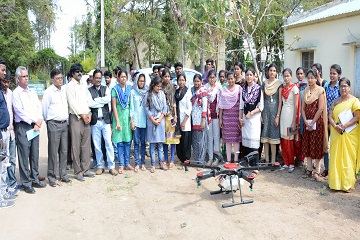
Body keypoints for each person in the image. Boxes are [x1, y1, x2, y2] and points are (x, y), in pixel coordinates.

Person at [13, 66, 45, 193]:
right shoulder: (16, 93)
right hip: (24, 126)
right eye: (24, 76)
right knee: (24, 155)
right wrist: (34, 121)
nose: (26, 79)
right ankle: (26, 183)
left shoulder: (31, 92)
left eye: (27, 76)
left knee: (34, 154)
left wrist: (39, 120)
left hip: (35, 126)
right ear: (17, 78)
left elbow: (39, 107)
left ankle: (35, 179)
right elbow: (20, 111)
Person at [328, 77, 360, 193]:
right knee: (336, 157)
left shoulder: (354, 101)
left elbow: (357, 117)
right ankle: (335, 183)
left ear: (349, 87)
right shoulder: (336, 102)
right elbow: (330, 116)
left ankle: (347, 184)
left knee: (348, 158)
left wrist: (345, 126)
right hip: (337, 133)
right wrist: (335, 126)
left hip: (349, 134)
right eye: (341, 86)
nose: (343, 88)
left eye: (345, 86)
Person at [42, 69, 71, 187]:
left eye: (61, 78)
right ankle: (52, 176)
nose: (60, 80)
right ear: (53, 79)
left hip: (64, 124)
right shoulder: (48, 92)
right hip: (53, 124)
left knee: (64, 150)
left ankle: (63, 174)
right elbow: (44, 110)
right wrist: (49, 122)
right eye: (58, 78)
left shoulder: (64, 91)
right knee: (53, 151)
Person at [66, 63, 94, 181]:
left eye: (80, 71)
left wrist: (89, 113)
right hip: (76, 118)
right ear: (73, 73)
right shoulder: (69, 86)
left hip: (86, 117)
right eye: (77, 71)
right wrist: (82, 115)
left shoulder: (84, 85)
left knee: (86, 145)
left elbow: (88, 100)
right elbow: (72, 104)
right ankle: (78, 171)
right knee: (76, 146)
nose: (79, 73)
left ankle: (86, 169)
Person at [88, 69, 118, 176]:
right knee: (97, 145)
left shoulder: (106, 88)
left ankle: (111, 166)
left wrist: (96, 100)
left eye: (100, 78)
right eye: (96, 78)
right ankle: (100, 166)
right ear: (93, 78)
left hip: (105, 121)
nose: (98, 80)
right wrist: (101, 100)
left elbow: (108, 99)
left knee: (109, 144)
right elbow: (89, 103)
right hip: (95, 121)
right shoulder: (89, 90)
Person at [301, 69, 328, 181]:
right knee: (307, 144)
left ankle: (317, 170)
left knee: (316, 145)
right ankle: (308, 169)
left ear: (317, 78)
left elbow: (321, 108)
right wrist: (306, 120)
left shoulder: (320, 90)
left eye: (313, 77)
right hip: (307, 123)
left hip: (318, 123)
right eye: (309, 77)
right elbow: (303, 108)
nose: (310, 80)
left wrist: (313, 122)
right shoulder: (305, 91)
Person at [321, 64, 342, 178]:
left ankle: (335, 168)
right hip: (326, 120)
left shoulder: (341, 87)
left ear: (338, 75)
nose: (332, 75)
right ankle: (327, 168)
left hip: (337, 121)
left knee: (335, 145)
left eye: (334, 73)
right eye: (331, 73)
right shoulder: (327, 86)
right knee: (326, 144)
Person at [112, 70, 133, 174]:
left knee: (128, 141)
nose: (123, 79)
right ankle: (121, 164)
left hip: (128, 117)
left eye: (125, 77)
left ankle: (127, 163)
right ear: (118, 78)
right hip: (119, 117)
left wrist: (131, 120)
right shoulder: (114, 90)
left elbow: (132, 105)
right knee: (120, 142)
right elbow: (114, 106)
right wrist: (117, 121)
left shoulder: (130, 89)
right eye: (122, 77)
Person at [260, 63, 282, 164]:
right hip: (266, 112)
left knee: (273, 137)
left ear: (276, 72)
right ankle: (267, 160)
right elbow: (262, 99)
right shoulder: (264, 83)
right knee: (265, 137)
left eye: (274, 71)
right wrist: (261, 115)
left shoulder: (279, 84)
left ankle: (273, 160)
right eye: (270, 70)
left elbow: (280, 101)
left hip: (275, 113)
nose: (272, 72)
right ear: (268, 72)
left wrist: (277, 116)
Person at [144, 77, 167, 173]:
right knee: (152, 144)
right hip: (151, 122)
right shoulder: (148, 95)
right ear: (153, 85)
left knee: (160, 144)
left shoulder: (162, 94)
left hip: (160, 122)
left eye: (160, 87)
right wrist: (153, 120)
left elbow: (165, 107)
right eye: (157, 86)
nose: (159, 88)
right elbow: (146, 109)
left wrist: (160, 118)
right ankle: (153, 165)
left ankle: (161, 163)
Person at [239, 67, 263, 156]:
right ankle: (248, 163)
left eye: (250, 75)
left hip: (255, 119)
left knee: (254, 143)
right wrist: (240, 118)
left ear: (253, 76)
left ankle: (254, 166)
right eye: (247, 75)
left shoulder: (258, 89)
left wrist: (251, 113)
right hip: (245, 119)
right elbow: (241, 106)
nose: (249, 77)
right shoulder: (243, 89)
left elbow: (261, 107)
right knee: (247, 143)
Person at [218, 72, 242, 163]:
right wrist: (220, 119)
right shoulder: (223, 90)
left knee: (236, 140)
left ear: (235, 79)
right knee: (227, 140)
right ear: (227, 80)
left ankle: (235, 160)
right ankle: (228, 160)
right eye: (229, 79)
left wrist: (240, 118)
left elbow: (242, 105)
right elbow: (220, 106)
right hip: (227, 118)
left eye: (232, 78)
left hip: (236, 117)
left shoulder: (239, 89)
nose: (231, 80)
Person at [279, 68, 299, 173]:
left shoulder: (294, 88)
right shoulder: (282, 88)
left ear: (291, 76)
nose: (286, 78)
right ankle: (286, 162)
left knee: (289, 140)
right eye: (284, 76)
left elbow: (296, 105)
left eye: (288, 76)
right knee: (283, 139)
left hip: (291, 114)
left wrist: (294, 120)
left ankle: (292, 162)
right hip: (283, 114)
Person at [2, 70, 18, 195]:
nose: (6, 84)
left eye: (8, 82)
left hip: (12, 132)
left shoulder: (11, 93)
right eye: (4, 81)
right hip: (3, 132)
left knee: (11, 160)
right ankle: (5, 186)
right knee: (4, 161)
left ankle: (12, 183)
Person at [0, 60, 14, 208]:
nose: (4, 73)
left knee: (4, 165)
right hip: (0, 133)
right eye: (2, 70)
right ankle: (0, 199)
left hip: (6, 132)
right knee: (1, 167)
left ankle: (3, 193)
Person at [161, 69, 180, 169]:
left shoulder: (173, 87)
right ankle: (165, 159)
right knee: (164, 139)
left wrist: (175, 115)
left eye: (168, 76)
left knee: (172, 139)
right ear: (162, 77)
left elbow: (174, 102)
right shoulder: (160, 87)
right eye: (165, 76)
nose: (167, 78)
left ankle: (172, 159)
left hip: (171, 115)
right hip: (162, 116)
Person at [130, 73, 148, 172]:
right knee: (136, 143)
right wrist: (132, 121)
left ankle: (143, 163)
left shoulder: (146, 92)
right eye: (140, 81)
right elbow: (131, 108)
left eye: (143, 81)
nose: (141, 82)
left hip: (144, 122)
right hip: (136, 121)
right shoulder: (133, 92)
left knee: (143, 143)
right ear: (137, 81)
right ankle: (137, 163)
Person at [191, 74, 210, 165]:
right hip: (193, 119)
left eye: (198, 81)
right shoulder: (192, 90)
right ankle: (196, 159)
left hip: (201, 119)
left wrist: (203, 120)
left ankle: (201, 161)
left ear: (201, 81)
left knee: (202, 141)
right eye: (195, 81)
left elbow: (205, 107)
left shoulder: (203, 91)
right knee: (195, 140)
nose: (196, 83)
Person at [175, 73, 192, 168]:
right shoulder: (176, 92)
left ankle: (186, 159)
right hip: (178, 120)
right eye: (179, 80)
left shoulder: (188, 92)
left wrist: (184, 121)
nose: (181, 82)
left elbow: (189, 108)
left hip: (186, 120)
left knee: (186, 141)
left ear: (185, 81)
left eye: (183, 80)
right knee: (179, 141)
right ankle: (181, 158)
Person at [205, 69, 221, 166]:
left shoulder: (218, 88)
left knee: (216, 137)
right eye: (210, 77)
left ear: (216, 78)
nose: (212, 79)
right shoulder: (205, 88)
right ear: (208, 78)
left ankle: (216, 158)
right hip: (208, 115)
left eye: (213, 77)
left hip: (216, 115)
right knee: (209, 137)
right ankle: (210, 158)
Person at [295, 67, 307, 163]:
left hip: (304, 115)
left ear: (304, 75)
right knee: (295, 135)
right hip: (295, 113)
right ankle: (296, 156)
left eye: (301, 73)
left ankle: (302, 158)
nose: (299, 75)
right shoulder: (294, 86)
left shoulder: (306, 87)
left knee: (302, 135)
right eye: (298, 73)